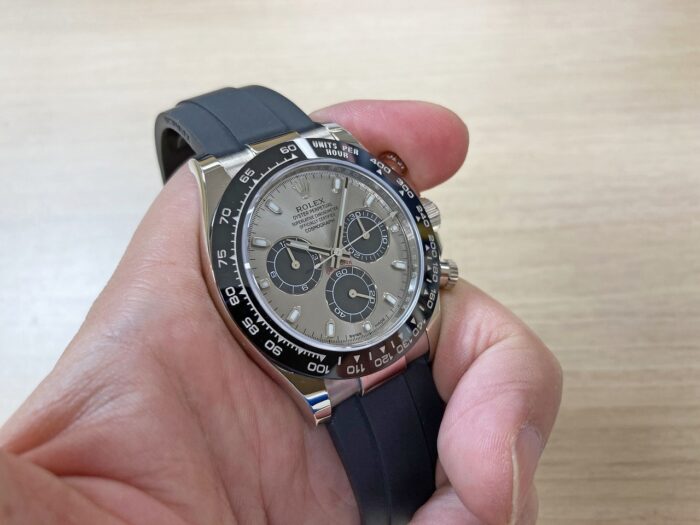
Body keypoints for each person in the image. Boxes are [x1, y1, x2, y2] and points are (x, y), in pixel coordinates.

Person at [0, 100, 562, 525]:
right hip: (331, 373)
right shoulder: (219, 189)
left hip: (395, 326)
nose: (336, 256)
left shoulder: (340, 155)